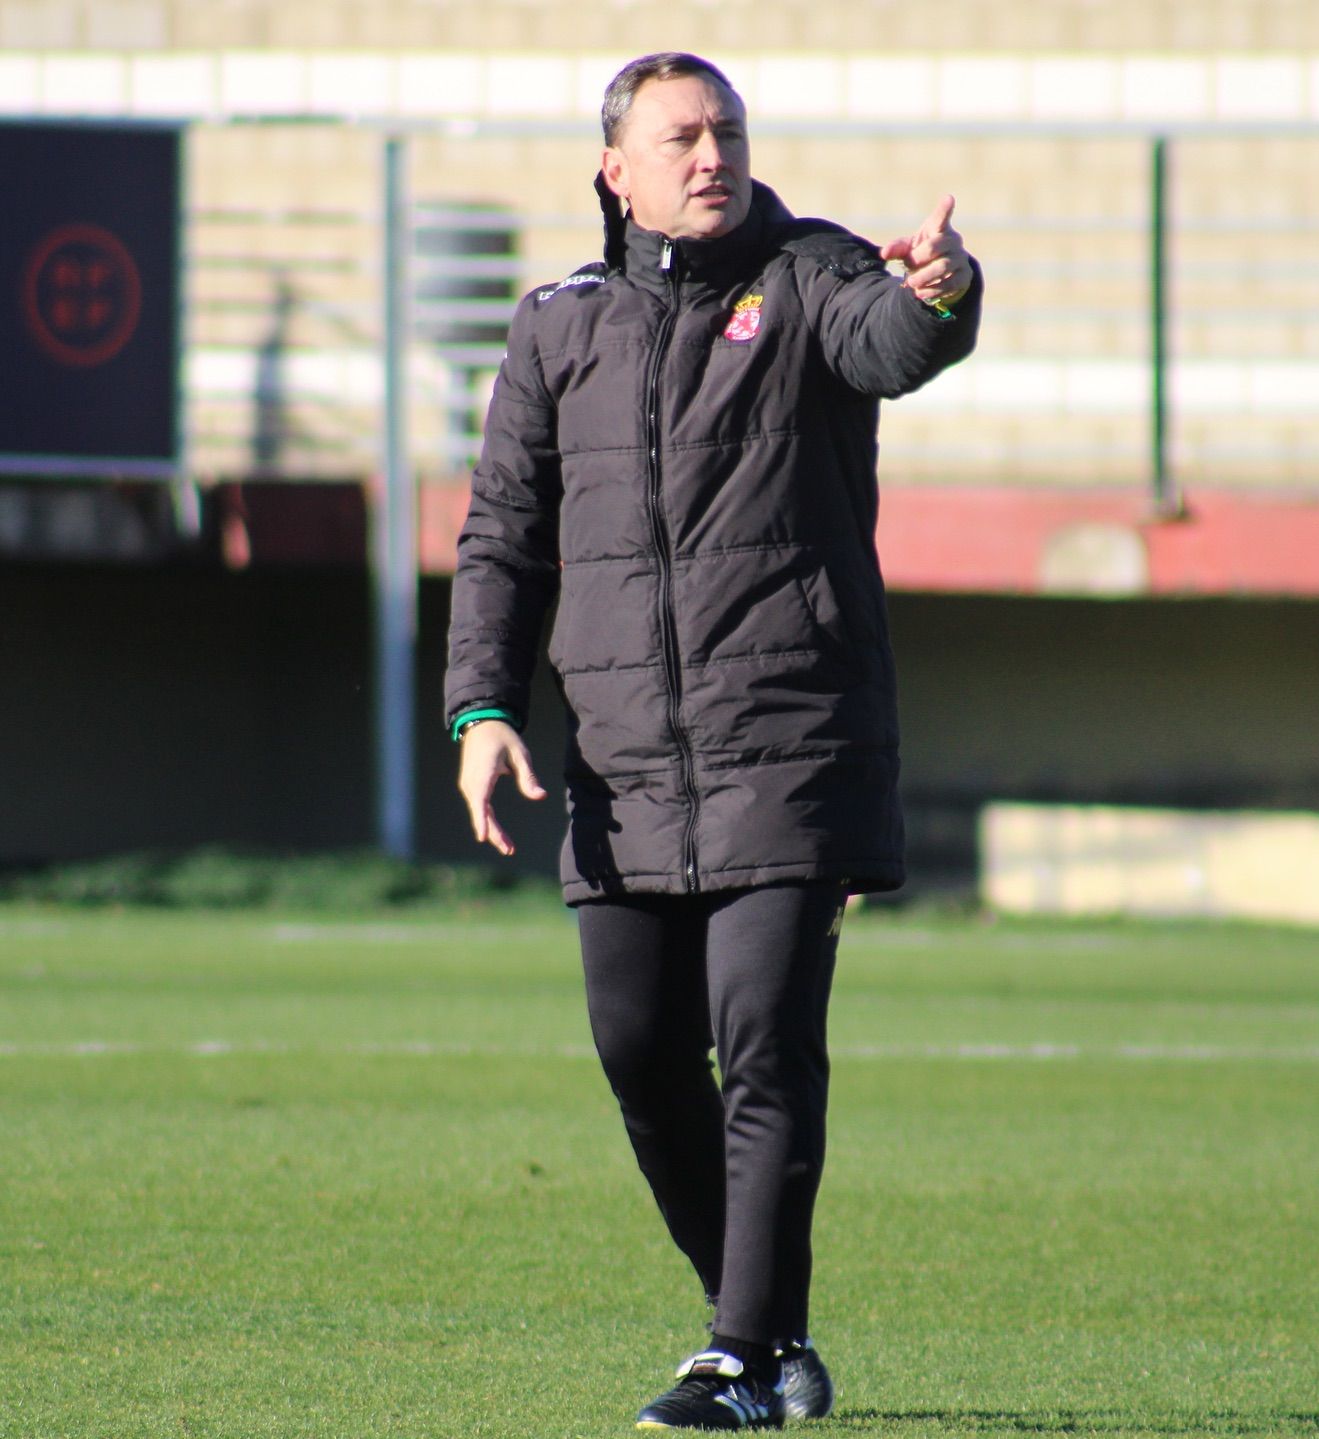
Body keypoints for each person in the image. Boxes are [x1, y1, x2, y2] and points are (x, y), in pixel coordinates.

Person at [445, 51, 982, 1431]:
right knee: (637, 1049)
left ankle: (738, 1360)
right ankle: (766, 1329)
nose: (711, 154)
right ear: (615, 168)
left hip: (791, 739)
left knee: (761, 1042)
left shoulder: (810, 271)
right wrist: (484, 708)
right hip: (622, 762)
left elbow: (894, 342)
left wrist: (940, 291)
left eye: (727, 130)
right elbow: (503, 535)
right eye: (680, 136)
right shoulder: (557, 324)